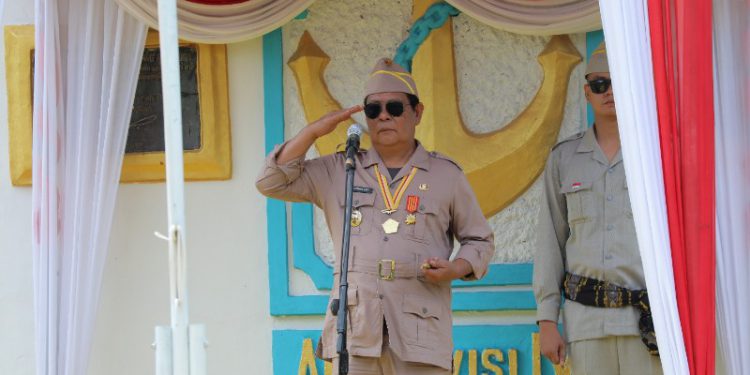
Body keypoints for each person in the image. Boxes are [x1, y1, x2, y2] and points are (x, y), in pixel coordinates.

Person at [256, 58, 494, 375]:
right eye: (373, 109)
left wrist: (456, 267)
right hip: (355, 332)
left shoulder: (445, 175)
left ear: (417, 112)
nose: (384, 116)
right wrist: (314, 131)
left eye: (395, 107)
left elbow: (479, 240)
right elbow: (270, 182)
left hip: (420, 332)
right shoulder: (342, 169)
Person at [533, 42, 663, 374]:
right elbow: (551, 240)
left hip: (648, 322)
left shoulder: (657, 157)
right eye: (600, 84)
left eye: (617, 82)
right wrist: (547, 319)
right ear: (587, 92)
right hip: (586, 322)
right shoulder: (564, 158)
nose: (608, 92)